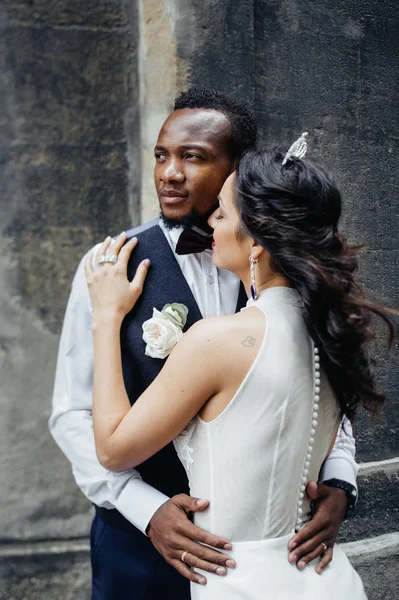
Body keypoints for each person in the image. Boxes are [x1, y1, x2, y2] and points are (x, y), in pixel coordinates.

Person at [50, 90, 358, 599]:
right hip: (138, 549)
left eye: (192, 157)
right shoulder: (110, 266)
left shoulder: (289, 270)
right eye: (162, 156)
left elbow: (325, 378)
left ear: (238, 171)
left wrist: (340, 482)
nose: (170, 173)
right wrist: (145, 508)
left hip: (266, 549)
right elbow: (71, 413)